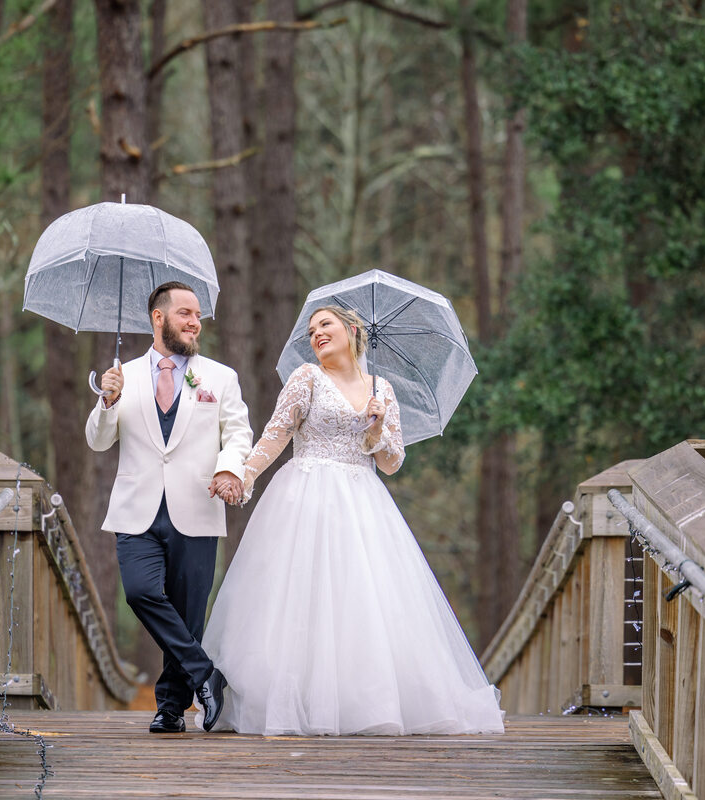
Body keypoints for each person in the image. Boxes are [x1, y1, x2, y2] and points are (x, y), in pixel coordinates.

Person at [201, 305, 505, 736]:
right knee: (301, 598)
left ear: (352, 330)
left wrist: (378, 428)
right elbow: (276, 435)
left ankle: (358, 701)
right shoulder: (306, 377)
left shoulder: (383, 390)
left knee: (359, 598)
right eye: (311, 330)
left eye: (325, 325)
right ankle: (295, 700)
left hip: (362, 501)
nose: (316, 334)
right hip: (305, 495)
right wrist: (243, 474)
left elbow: (392, 462)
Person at [86, 281, 252, 733]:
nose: (195, 322)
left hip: (197, 506)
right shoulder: (123, 376)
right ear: (158, 318)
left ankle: (171, 708)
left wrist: (229, 467)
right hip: (135, 510)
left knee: (187, 612)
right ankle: (205, 674)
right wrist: (107, 401)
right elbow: (99, 442)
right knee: (141, 592)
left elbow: (239, 433)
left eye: (197, 315)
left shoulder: (220, 377)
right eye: (185, 313)